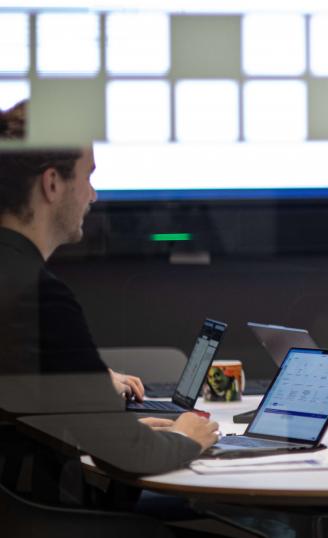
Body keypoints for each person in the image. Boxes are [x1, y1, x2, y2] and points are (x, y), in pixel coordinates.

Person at [0, 100, 218, 501]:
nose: (93, 195)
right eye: (88, 176)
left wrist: (111, 429)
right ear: (52, 184)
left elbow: (22, 412)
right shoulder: (38, 295)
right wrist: (187, 437)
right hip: (41, 524)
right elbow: (129, 457)